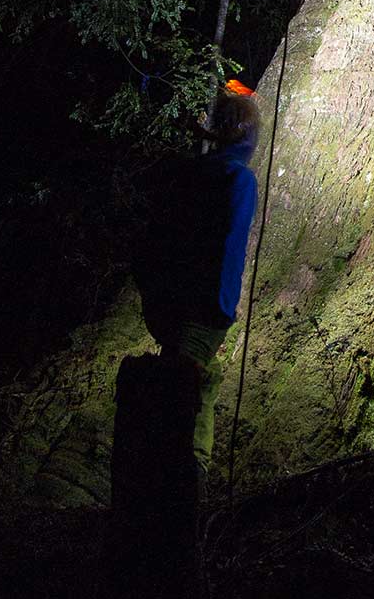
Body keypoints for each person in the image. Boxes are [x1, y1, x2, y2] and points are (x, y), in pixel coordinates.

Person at [134, 85, 260, 474]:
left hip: (164, 302)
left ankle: (164, 471)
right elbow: (231, 245)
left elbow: (156, 234)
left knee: (196, 373)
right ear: (245, 137)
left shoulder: (189, 172)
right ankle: (188, 476)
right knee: (188, 388)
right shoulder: (238, 179)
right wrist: (222, 309)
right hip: (201, 308)